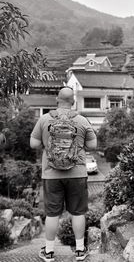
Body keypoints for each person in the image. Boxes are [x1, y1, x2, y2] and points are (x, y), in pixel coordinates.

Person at [30, 86, 97, 262]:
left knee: (52, 214)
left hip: (51, 174)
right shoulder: (82, 120)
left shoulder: (44, 119)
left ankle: (49, 252)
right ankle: (80, 251)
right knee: (77, 213)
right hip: (77, 173)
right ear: (73, 101)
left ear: (57, 100)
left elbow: (34, 143)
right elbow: (92, 145)